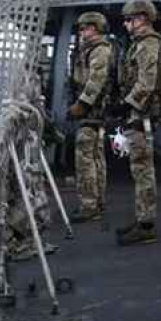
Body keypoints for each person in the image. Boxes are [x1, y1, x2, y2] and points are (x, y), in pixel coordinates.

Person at [115, 0, 161, 246]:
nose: (126, 25)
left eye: (129, 20)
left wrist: (126, 104)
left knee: (143, 169)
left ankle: (146, 224)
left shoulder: (148, 44)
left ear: (142, 19)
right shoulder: (140, 44)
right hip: (139, 113)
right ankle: (142, 218)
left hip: (142, 114)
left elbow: (146, 84)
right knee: (139, 170)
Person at [68, 11, 113, 223]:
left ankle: (89, 206)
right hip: (94, 113)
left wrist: (81, 104)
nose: (81, 32)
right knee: (95, 158)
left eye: (84, 28)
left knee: (85, 159)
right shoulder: (94, 49)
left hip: (92, 112)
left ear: (93, 28)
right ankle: (97, 203)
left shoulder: (100, 50)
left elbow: (96, 80)